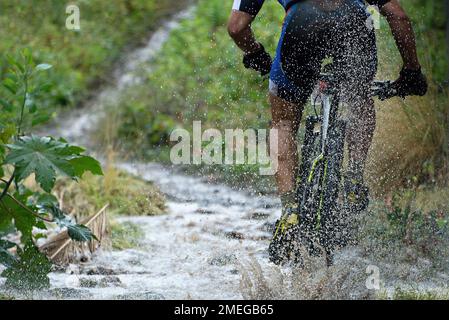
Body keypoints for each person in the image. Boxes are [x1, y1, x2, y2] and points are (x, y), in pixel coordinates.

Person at [228, 0, 428, 264]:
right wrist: (412, 70)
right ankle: (354, 178)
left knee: (283, 124)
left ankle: (289, 209)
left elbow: (236, 27)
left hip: (302, 24)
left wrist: (254, 53)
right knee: (359, 98)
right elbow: (397, 16)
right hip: (353, 24)